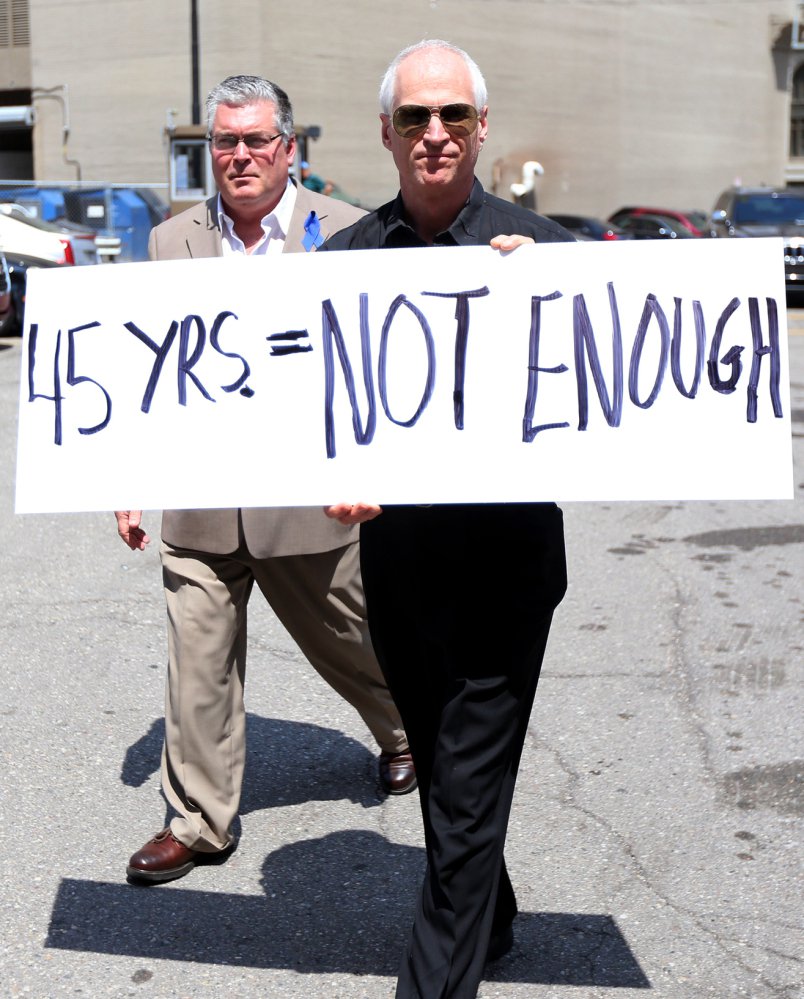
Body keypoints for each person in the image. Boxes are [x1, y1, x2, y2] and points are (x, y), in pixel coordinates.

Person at [115, 75, 415, 886]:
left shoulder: (352, 232)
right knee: (197, 660)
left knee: (353, 642)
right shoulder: (169, 242)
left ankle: (402, 733)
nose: (239, 155)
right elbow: (150, 370)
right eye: (224, 141)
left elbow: (378, 367)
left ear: (289, 148)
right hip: (204, 498)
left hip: (310, 500)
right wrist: (127, 476)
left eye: (255, 140)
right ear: (209, 149)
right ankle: (198, 821)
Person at [322, 41, 571, 998]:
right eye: (416, 118)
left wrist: (543, 293)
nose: (435, 134)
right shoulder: (342, 260)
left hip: (506, 568)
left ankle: (435, 984)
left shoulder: (541, 252)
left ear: (480, 130)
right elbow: (314, 417)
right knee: (437, 760)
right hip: (399, 565)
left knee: (467, 784)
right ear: (386, 132)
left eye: (453, 117)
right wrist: (331, 479)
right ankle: (493, 914)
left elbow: (603, 399)